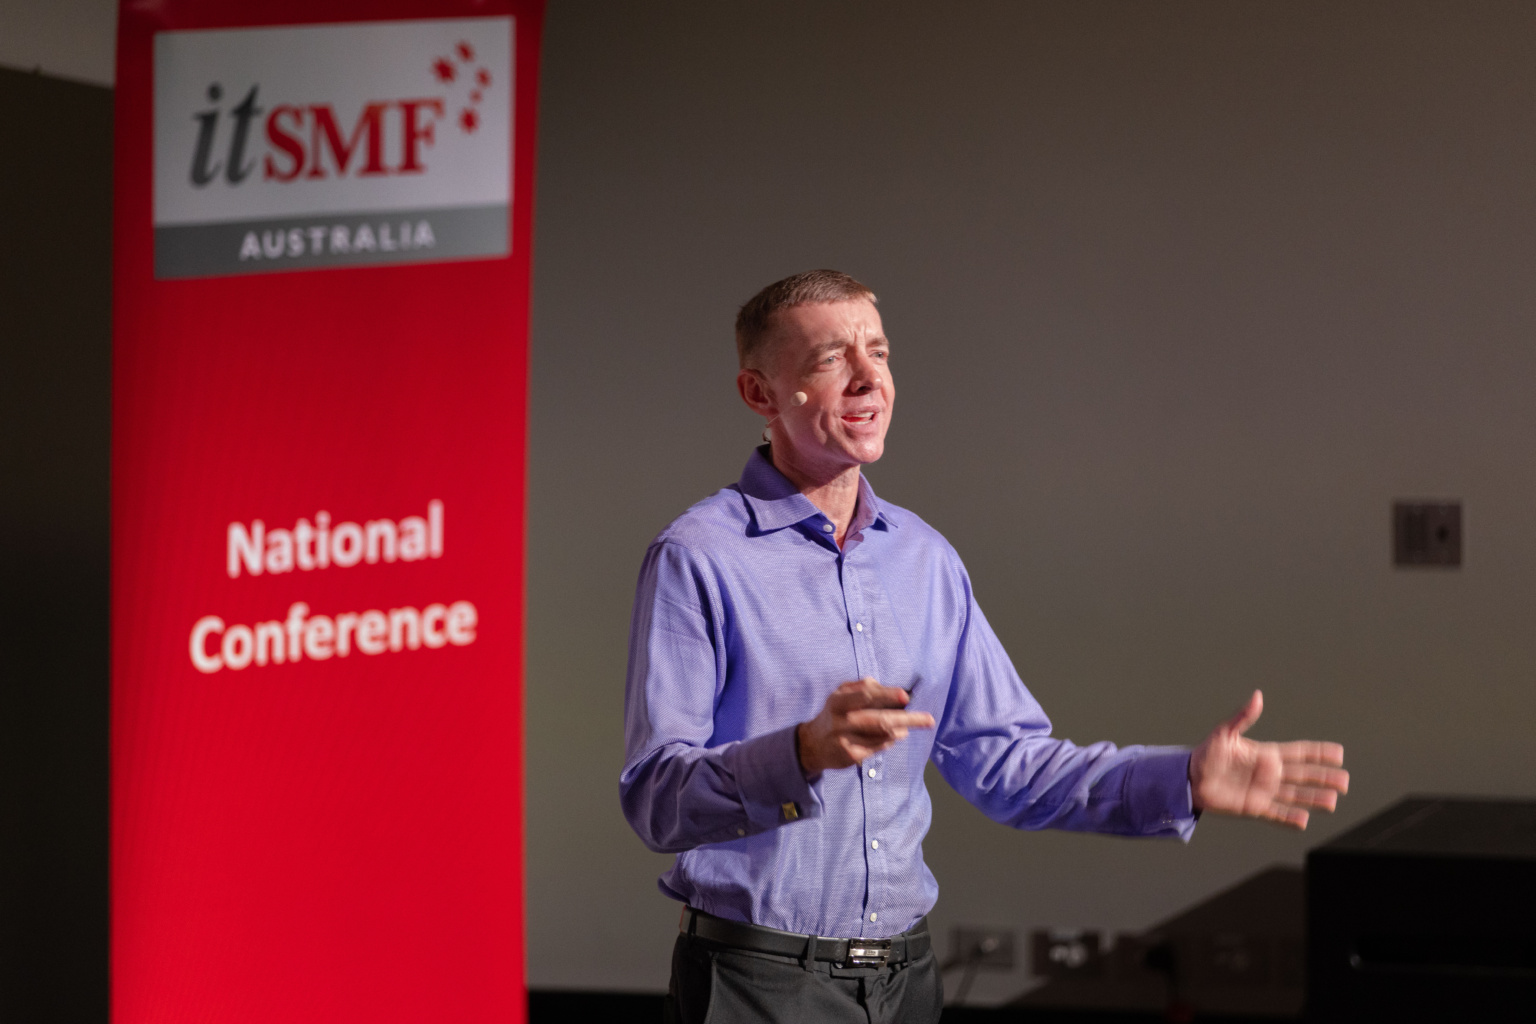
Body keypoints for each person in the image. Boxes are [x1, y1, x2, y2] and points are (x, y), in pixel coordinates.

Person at [620, 270, 1348, 1024]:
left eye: (879, 351)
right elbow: (655, 800)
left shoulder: (924, 559)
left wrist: (1184, 780)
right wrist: (801, 752)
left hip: (906, 983)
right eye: (832, 358)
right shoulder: (699, 556)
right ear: (760, 393)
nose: (870, 378)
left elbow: (1009, 766)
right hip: (758, 983)